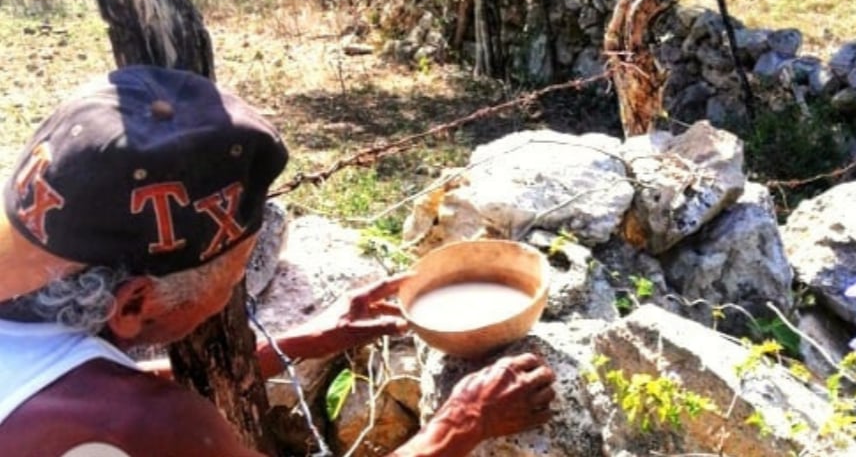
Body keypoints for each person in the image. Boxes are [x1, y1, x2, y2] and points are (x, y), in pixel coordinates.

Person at [0, 65, 556, 457]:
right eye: (235, 275)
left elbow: (77, 376)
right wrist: (463, 423)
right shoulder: (150, 425)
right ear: (136, 303)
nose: (236, 285)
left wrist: (300, 342)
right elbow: (115, 404)